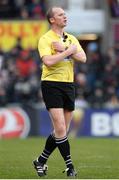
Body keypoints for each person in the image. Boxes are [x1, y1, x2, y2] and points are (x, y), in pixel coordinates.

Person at [33, 6, 87, 178]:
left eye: (65, 14)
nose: (65, 16)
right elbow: (48, 61)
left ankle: (40, 161)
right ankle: (70, 166)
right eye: (61, 14)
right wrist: (69, 52)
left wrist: (65, 50)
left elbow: (83, 58)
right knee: (61, 128)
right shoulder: (45, 39)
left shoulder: (70, 39)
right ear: (52, 20)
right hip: (51, 84)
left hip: (68, 85)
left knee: (61, 131)